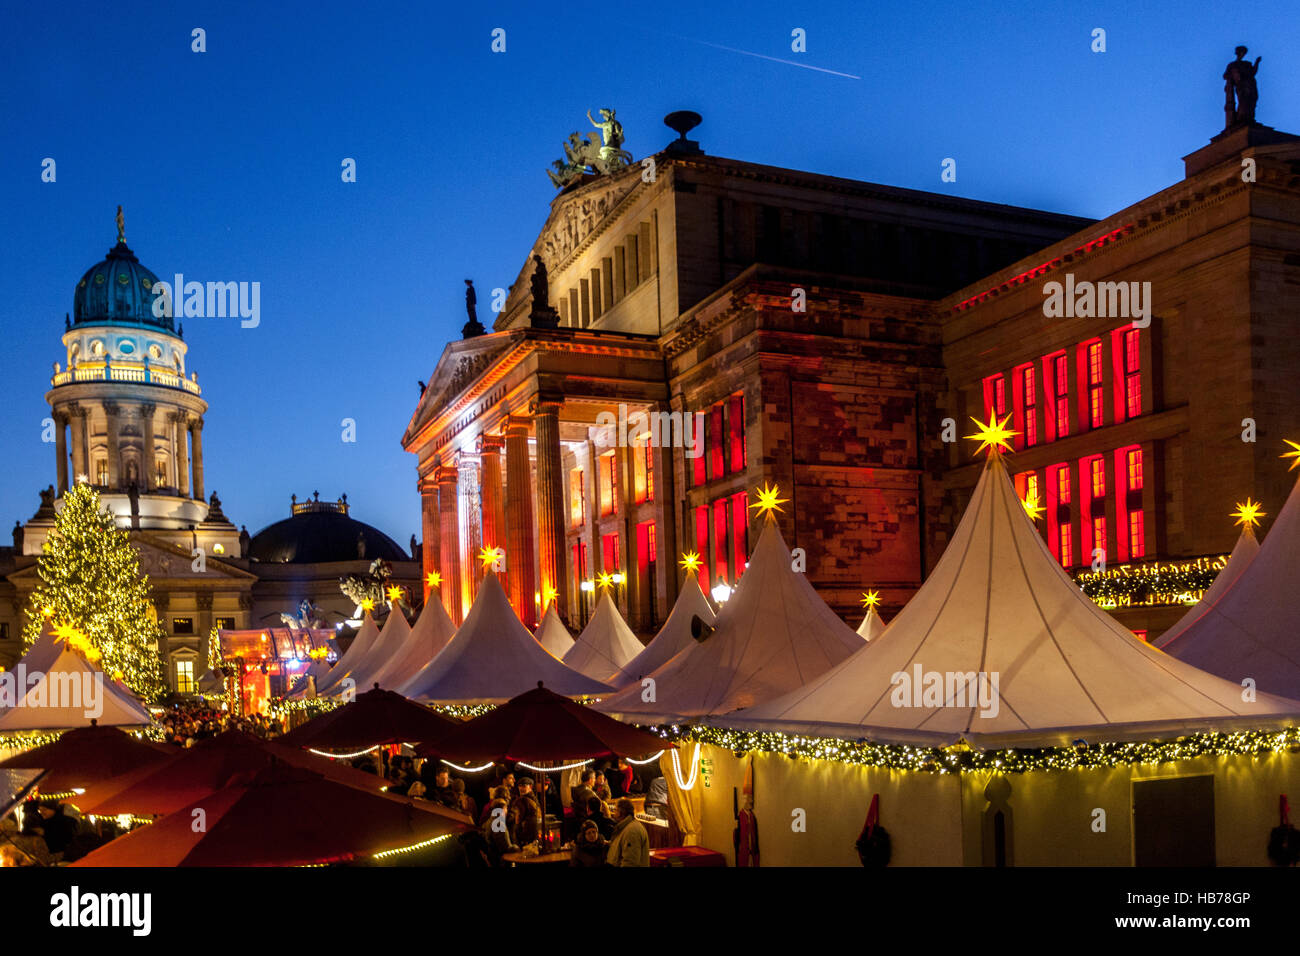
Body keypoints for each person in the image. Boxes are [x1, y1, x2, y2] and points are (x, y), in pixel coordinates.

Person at [606, 798, 650, 867]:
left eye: (615, 810)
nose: (613, 813)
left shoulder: (632, 831)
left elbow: (630, 861)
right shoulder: (625, 827)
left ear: (621, 813)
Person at [481, 798, 518, 866]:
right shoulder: (498, 824)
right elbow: (505, 847)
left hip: (494, 858)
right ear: (503, 809)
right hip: (500, 861)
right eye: (506, 808)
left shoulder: (490, 820)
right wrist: (518, 848)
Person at [512, 777, 542, 846]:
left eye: (524, 786)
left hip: (525, 833)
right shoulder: (534, 799)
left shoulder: (522, 800)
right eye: (519, 786)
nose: (521, 788)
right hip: (535, 832)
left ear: (530, 787)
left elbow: (518, 819)